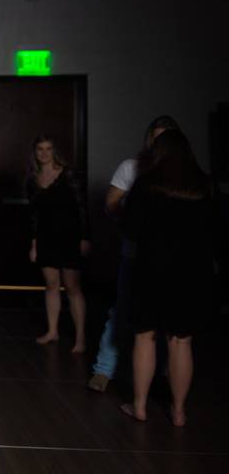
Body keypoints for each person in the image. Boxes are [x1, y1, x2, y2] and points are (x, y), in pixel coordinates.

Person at [120, 130, 216, 426]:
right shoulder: (205, 186)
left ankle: (139, 406)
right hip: (191, 274)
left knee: (145, 337)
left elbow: (130, 229)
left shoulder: (146, 184)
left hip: (152, 269)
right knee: (181, 342)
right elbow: (218, 234)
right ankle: (178, 411)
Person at [88, 115, 180, 392]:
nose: (159, 143)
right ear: (149, 139)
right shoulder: (132, 168)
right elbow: (111, 205)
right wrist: (133, 226)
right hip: (135, 254)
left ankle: (161, 374)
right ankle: (104, 369)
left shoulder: (182, 173)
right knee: (122, 313)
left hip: (172, 258)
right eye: (156, 136)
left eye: (165, 137)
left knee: (169, 320)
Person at [26, 135, 90, 353]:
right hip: (46, 237)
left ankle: (81, 337)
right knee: (51, 285)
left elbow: (82, 207)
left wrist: (84, 237)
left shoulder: (68, 174)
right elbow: (33, 215)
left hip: (70, 237)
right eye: (40, 149)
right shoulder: (33, 178)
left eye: (48, 148)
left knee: (72, 287)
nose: (44, 153)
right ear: (35, 152)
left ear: (55, 151)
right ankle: (53, 331)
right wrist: (34, 244)